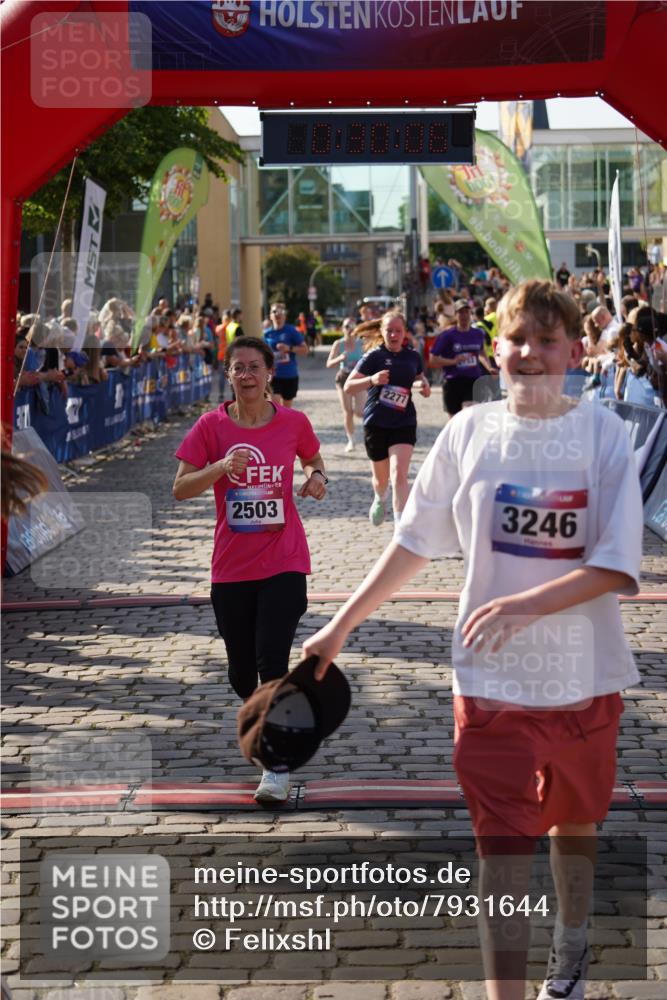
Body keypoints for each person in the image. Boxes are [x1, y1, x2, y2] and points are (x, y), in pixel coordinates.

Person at [303, 280, 643, 1000]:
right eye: (517, 339)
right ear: (495, 349)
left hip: (585, 678)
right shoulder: (465, 432)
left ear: (575, 351)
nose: (529, 353)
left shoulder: (605, 433)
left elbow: (614, 565)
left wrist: (524, 604)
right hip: (488, 686)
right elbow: (412, 542)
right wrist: (338, 628)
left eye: (546, 340)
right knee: (501, 856)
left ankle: (571, 946)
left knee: (574, 826)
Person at [172, 336, 328, 804]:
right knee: (242, 674)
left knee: (271, 660)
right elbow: (180, 488)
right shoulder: (210, 426)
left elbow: (314, 459)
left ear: (269, 374)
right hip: (231, 567)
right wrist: (220, 466)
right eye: (238, 368)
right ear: (228, 375)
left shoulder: (294, 423)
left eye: (255, 367)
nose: (247, 375)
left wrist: (318, 477)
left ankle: (276, 764)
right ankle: (262, 715)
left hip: (284, 559)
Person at [344, 310, 430, 526]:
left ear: (405, 333)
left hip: (404, 421)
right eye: (389, 331)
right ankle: (379, 496)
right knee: (381, 480)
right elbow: (348, 386)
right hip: (376, 422)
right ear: (382, 333)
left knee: (399, 474)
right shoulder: (374, 356)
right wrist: (372, 379)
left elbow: (419, 379)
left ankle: (401, 528)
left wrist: (424, 386)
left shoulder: (413, 356)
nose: (393, 335)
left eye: (398, 331)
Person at [429, 299, 496, 416]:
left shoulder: (478, 333)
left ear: (471, 314)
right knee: (454, 421)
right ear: (455, 315)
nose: (464, 315)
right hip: (452, 381)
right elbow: (433, 359)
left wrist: (489, 367)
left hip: (472, 380)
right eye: (460, 312)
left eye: (466, 312)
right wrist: (453, 361)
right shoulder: (447, 335)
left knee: (468, 414)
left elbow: (481, 352)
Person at [325, 317, 366, 452]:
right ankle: (351, 441)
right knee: (347, 411)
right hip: (343, 378)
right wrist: (340, 358)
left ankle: (369, 433)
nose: (350, 329)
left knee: (360, 411)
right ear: (343, 329)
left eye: (352, 326)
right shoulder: (338, 344)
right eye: (347, 326)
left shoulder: (362, 343)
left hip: (358, 378)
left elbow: (371, 359)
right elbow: (329, 363)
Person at [263, 302, 308, 408]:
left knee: (286, 409)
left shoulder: (292, 331)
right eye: (274, 311)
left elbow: (305, 350)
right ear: (270, 315)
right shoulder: (266, 334)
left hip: (289, 374)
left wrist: (290, 348)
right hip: (273, 375)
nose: (277, 314)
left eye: (281, 312)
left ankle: (284, 424)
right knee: (275, 405)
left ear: (285, 315)